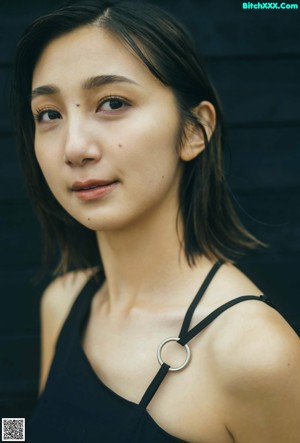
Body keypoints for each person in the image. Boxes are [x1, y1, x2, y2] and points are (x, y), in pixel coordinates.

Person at [11, 1, 300, 442]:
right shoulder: (64, 301)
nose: (73, 147)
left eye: (112, 103)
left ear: (194, 131)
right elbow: (32, 431)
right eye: (49, 114)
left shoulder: (255, 355)